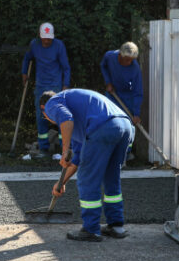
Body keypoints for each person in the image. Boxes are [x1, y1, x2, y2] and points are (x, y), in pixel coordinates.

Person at [40, 89, 134, 242]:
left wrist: (64, 150)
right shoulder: (80, 117)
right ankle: (116, 226)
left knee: (87, 179)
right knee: (111, 177)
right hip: (123, 126)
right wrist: (61, 182)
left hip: (103, 127)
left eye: (46, 117)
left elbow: (65, 118)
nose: (49, 119)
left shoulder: (52, 103)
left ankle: (91, 229)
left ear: (43, 111)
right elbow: (77, 159)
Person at [22, 22, 71, 158]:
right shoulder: (34, 44)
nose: (46, 41)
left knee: (60, 116)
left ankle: (64, 149)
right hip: (40, 86)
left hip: (56, 85)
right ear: (40, 36)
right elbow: (27, 59)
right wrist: (24, 73)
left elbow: (66, 67)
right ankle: (43, 148)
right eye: (44, 38)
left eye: (49, 38)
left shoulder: (59, 46)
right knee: (41, 116)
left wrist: (65, 85)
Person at [100, 42, 143, 159]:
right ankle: (110, 150)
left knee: (128, 124)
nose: (129, 62)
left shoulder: (135, 68)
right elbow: (103, 66)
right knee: (110, 121)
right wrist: (107, 81)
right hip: (112, 94)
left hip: (127, 96)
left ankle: (126, 152)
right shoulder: (110, 56)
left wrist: (136, 113)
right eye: (127, 60)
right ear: (120, 55)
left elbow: (138, 92)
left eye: (132, 60)